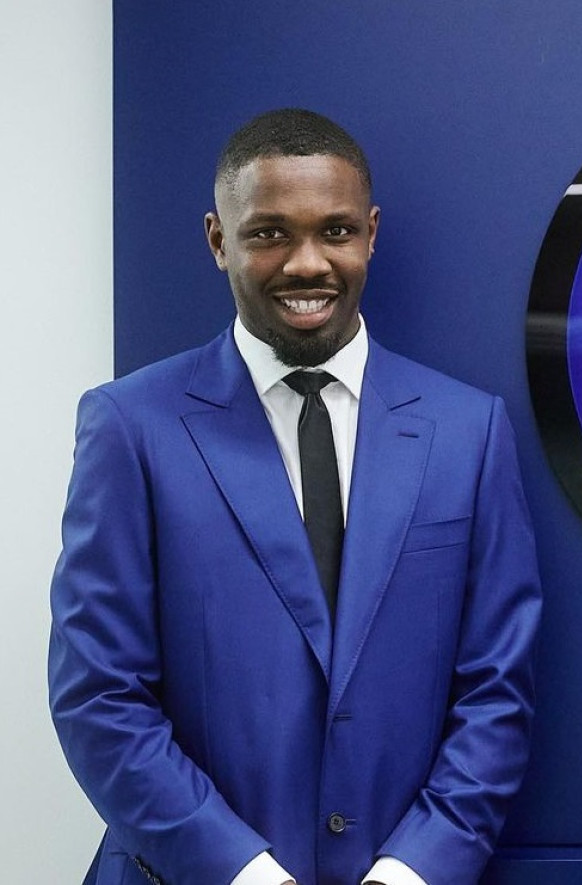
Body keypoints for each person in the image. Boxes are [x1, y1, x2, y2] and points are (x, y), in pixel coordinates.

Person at [48, 109, 541, 885]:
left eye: (336, 232)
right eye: (270, 233)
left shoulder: (468, 430)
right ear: (219, 239)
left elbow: (497, 688)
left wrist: (413, 871)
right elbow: (98, 697)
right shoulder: (128, 427)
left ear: (371, 234)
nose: (307, 263)